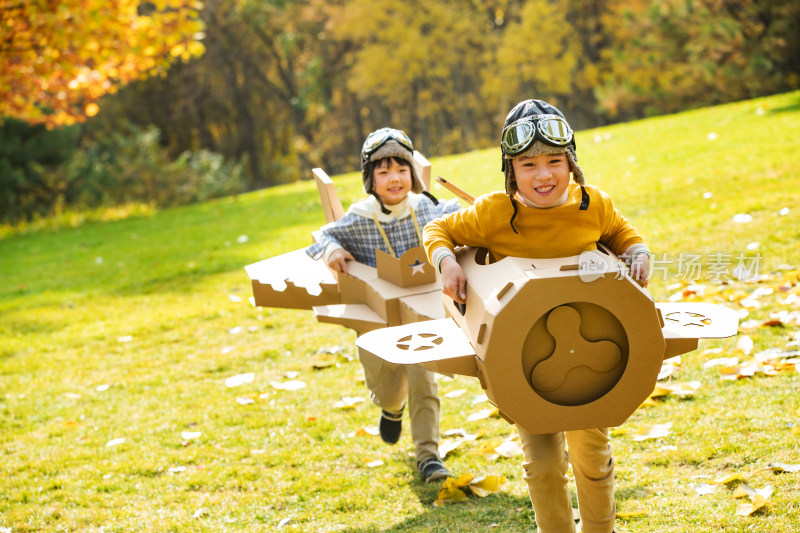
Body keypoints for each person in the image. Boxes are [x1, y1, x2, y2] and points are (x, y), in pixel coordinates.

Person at [423, 100, 650, 533]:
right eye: (528, 165)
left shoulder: (592, 204)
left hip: (591, 353)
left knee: (593, 458)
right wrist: (445, 262)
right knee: (543, 466)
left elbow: (622, 232)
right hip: (526, 358)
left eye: (554, 162)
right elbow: (440, 230)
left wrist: (636, 252)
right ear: (511, 171)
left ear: (571, 164)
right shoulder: (493, 212)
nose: (543, 175)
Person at [307, 127, 460, 483]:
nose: (395, 179)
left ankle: (428, 455)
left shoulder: (427, 208)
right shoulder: (360, 218)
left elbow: (462, 213)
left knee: (425, 377)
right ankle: (392, 410)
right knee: (387, 387)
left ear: (412, 174)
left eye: (401, 170)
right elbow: (324, 237)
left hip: (421, 315)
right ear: (370, 179)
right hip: (377, 319)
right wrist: (332, 250)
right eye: (384, 171)